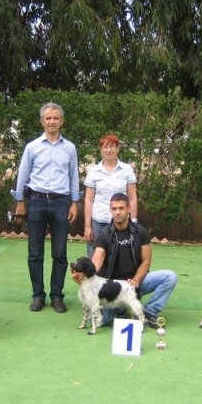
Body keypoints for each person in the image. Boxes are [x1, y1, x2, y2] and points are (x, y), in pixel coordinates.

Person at [11, 102, 81, 313]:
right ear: (42, 121)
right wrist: (21, 203)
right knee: (35, 253)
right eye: (48, 118)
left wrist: (74, 203)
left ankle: (57, 296)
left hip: (61, 202)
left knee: (60, 253)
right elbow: (23, 176)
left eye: (56, 118)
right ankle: (38, 295)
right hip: (36, 202)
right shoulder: (32, 147)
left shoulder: (69, 148)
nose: (52, 121)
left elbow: (74, 176)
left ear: (62, 121)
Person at [73, 193, 177, 328]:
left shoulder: (141, 231)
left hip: (135, 282)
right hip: (112, 288)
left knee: (170, 277)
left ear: (129, 208)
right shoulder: (104, 234)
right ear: (110, 210)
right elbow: (96, 263)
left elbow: (146, 262)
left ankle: (149, 311)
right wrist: (83, 275)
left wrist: (136, 280)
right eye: (114, 209)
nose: (117, 212)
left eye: (121, 208)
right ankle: (121, 308)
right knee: (100, 321)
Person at [83, 134, 138, 258]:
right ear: (100, 150)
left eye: (112, 146)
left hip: (122, 221)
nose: (109, 150)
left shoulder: (127, 169)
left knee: (121, 257)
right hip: (99, 221)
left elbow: (133, 198)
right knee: (95, 258)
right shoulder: (93, 171)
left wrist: (133, 222)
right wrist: (87, 226)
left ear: (118, 149)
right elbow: (88, 200)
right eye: (105, 147)